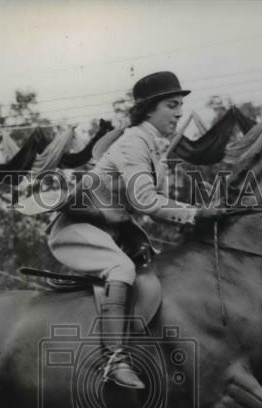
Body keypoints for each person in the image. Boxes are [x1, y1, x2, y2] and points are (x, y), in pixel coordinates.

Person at [47, 71, 227, 389]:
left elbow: (151, 203)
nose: (179, 113)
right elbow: (145, 201)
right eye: (172, 105)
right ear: (149, 109)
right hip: (77, 229)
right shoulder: (133, 143)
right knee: (122, 268)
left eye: (180, 105)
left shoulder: (151, 145)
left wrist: (200, 215)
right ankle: (114, 361)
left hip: (113, 232)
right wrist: (196, 213)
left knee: (159, 273)